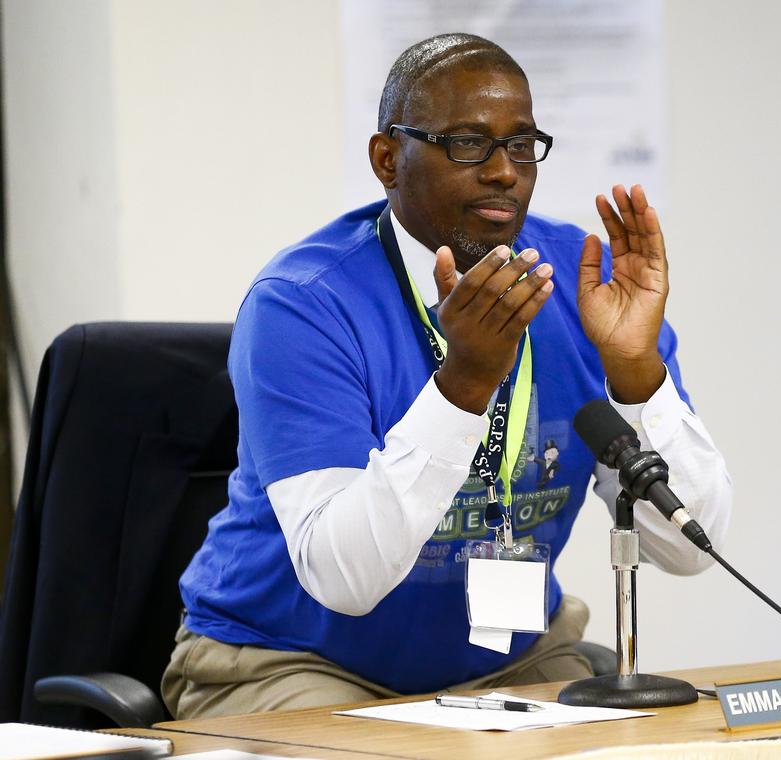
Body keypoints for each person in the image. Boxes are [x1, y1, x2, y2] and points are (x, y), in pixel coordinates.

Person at [162, 32, 732, 719]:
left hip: (508, 660)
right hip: (286, 659)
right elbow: (345, 579)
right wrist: (462, 386)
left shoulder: (584, 284)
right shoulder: (304, 303)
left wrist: (637, 370)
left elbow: (690, 548)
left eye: (521, 145)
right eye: (469, 143)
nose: (503, 171)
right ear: (387, 160)